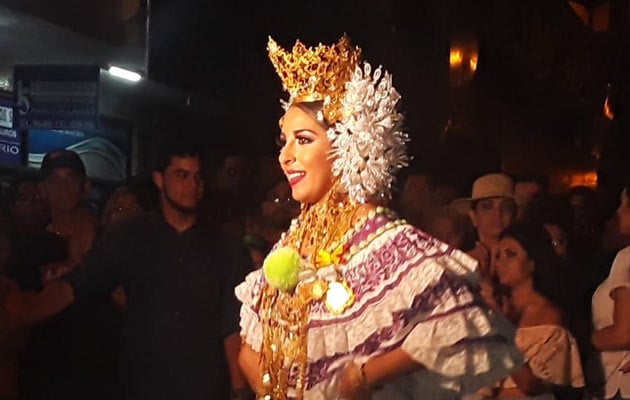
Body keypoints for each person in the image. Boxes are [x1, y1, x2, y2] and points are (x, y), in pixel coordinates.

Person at [236, 35, 523, 400]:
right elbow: (250, 345)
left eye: (303, 139)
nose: (285, 156)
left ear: (346, 145)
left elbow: (455, 319)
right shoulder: (292, 239)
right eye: (284, 141)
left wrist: (363, 378)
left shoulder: (375, 233)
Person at [7, 140, 252, 400]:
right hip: (142, 386)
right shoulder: (130, 237)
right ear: (160, 179)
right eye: (181, 175)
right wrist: (20, 318)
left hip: (203, 388)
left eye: (197, 177)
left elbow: (232, 325)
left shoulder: (225, 248)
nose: (192, 185)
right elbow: (77, 284)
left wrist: (239, 389)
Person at [493, 224, 584, 399]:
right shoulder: (497, 307)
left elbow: (529, 385)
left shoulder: (549, 315)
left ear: (533, 262)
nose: (500, 262)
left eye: (511, 254)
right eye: (497, 255)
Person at [587, 185, 630, 400]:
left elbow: (624, 333)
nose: (619, 211)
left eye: (625, 205)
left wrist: (583, 340)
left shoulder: (627, 258)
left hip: (619, 384)